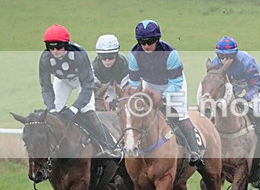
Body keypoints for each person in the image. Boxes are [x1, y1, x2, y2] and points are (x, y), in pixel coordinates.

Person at [128, 19, 203, 166]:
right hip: (150, 83)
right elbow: (135, 82)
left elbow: (176, 82)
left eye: (149, 42)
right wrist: (138, 97)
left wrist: (162, 97)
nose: (146, 46)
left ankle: (194, 151)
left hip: (174, 83)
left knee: (179, 114)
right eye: (142, 42)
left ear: (157, 39)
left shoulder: (170, 53)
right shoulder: (134, 55)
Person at [38, 23, 119, 158]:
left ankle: (110, 145)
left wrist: (74, 109)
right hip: (62, 80)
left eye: (59, 46)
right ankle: (53, 149)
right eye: (51, 47)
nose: (55, 51)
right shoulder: (45, 58)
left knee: (87, 111)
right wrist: (50, 108)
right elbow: (45, 86)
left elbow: (87, 86)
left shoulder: (78, 54)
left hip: (82, 79)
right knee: (53, 115)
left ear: (66, 44)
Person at [211, 36, 260, 157]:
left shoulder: (247, 64)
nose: (225, 60)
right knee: (214, 110)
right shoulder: (215, 64)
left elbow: (255, 87)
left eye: (229, 56)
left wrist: (245, 98)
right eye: (222, 57)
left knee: (257, 109)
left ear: (235, 55)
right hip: (231, 83)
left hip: (250, 81)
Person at [92, 33, 129, 110]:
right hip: (105, 87)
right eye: (103, 57)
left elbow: (127, 88)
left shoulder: (124, 63)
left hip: (121, 86)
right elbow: (95, 88)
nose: (107, 60)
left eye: (111, 56)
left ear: (116, 54)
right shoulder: (95, 65)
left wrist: (116, 101)